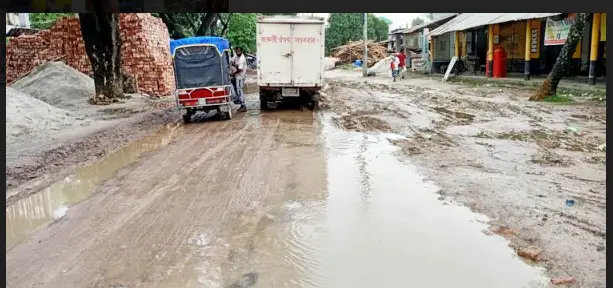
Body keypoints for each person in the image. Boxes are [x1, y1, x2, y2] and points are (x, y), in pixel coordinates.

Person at [231, 46, 247, 112]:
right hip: (237, 76)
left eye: (239, 51)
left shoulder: (242, 59)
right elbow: (232, 60)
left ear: (241, 51)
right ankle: (241, 104)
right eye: (237, 51)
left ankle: (243, 105)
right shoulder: (236, 56)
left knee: (240, 90)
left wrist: (232, 73)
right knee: (237, 90)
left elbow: (240, 69)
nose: (238, 52)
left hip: (240, 76)